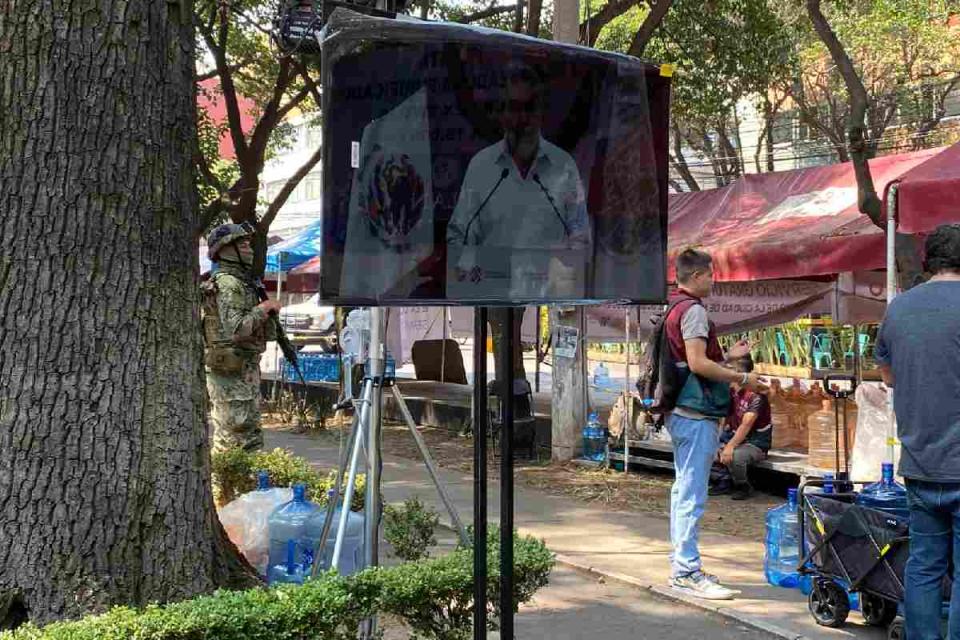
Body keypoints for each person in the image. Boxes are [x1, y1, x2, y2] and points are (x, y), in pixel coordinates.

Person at [665, 248, 767, 600]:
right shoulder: (692, 311)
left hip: (681, 412)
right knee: (692, 494)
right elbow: (696, 364)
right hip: (695, 416)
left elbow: (693, 361)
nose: (713, 280)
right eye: (710, 274)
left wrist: (728, 357)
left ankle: (682, 564)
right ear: (695, 277)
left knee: (684, 491)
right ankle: (686, 571)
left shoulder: (675, 306)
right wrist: (742, 378)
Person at [874, 223, 960, 640]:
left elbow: (887, 375)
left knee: (924, 564)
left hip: (919, 461)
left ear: (929, 263)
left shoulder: (898, 308)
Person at [446, 62, 591, 301]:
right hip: (491, 301)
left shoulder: (563, 166)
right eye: (513, 108)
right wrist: (471, 268)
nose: (521, 118)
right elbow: (459, 235)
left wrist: (563, 275)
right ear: (502, 114)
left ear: (541, 112)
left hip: (548, 303)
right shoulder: (481, 167)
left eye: (529, 107)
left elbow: (580, 237)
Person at [201, 223, 281, 456]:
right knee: (234, 438)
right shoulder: (228, 283)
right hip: (230, 371)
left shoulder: (242, 282)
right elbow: (237, 328)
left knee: (248, 437)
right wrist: (264, 308)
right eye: (242, 244)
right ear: (225, 249)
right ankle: (230, 489)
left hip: (242, 368)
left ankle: (245, 488)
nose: (249, 248)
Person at [709, 355, 771, 500]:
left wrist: (729, 446)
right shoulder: (731, 392)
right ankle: (722, 481)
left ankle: (742, 485)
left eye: (727, 369)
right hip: (734, 435)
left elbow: (746, 424)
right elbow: (724, 417)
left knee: (736, 456)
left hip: (755, 443)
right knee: (708, 446)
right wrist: (718, 439)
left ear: (735, 371)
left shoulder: (756, 395)